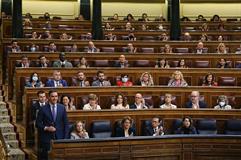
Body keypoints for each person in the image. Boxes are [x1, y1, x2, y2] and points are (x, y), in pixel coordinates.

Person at [36, 90, 69, 160]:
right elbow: (37, 124)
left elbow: (66, 124)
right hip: (47, 138)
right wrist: (46, 128)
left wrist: (65, 138)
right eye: (52, 96)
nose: (54, 98)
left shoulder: (62, 108)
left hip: (60, 137)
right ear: (49, 97)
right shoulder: (42, 109)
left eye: (56, 96)